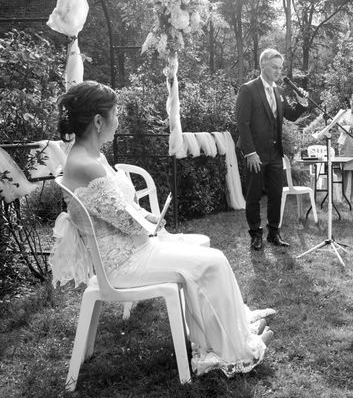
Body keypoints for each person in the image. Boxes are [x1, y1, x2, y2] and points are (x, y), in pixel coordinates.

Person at [53, 81, 274, 377]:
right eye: (115, 113)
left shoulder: (93, 156)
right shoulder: (85, 163)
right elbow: (126, 220)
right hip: (123, 264)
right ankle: (237, 351)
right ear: (97, 121)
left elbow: (120, 211)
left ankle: (231, 330)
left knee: (204, 254)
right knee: (214, 261)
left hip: (136, 247)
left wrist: (148, 217)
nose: (118, 120)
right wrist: (153, 221)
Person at [235, 48, 308, 250]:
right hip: (255, 154)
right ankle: (255, 235)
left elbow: (290, 116)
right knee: (254, 195)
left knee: (276, 195)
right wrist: (250, 153)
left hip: (275, 154)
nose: (278, 71)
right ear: (263, 65)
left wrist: (301, 104)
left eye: (280, 68)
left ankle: (273, 233)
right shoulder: (248, 89)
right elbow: (242, 123)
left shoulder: (278, 91)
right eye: (274, 67)